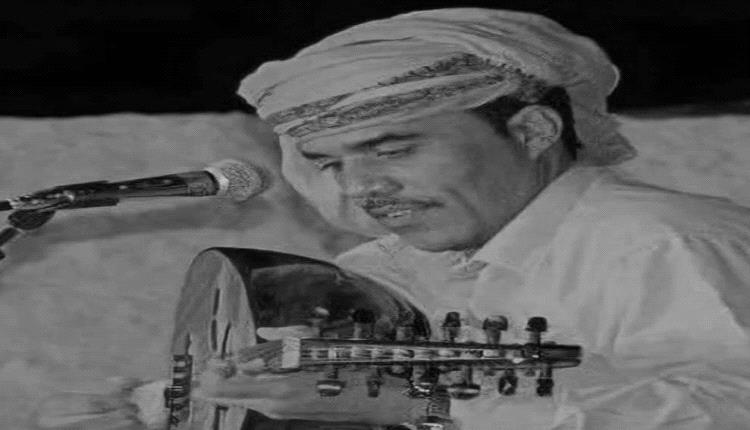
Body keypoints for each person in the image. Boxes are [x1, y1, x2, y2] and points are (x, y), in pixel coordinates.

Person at [36, 8, 750, 430]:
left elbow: (728, 409)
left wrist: (420, 403)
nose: (362, 186)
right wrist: (154, 408)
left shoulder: (661, 243)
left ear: (532, 131)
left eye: (392, 149)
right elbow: (321, 391)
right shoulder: (385, 272)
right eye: (330, 162)